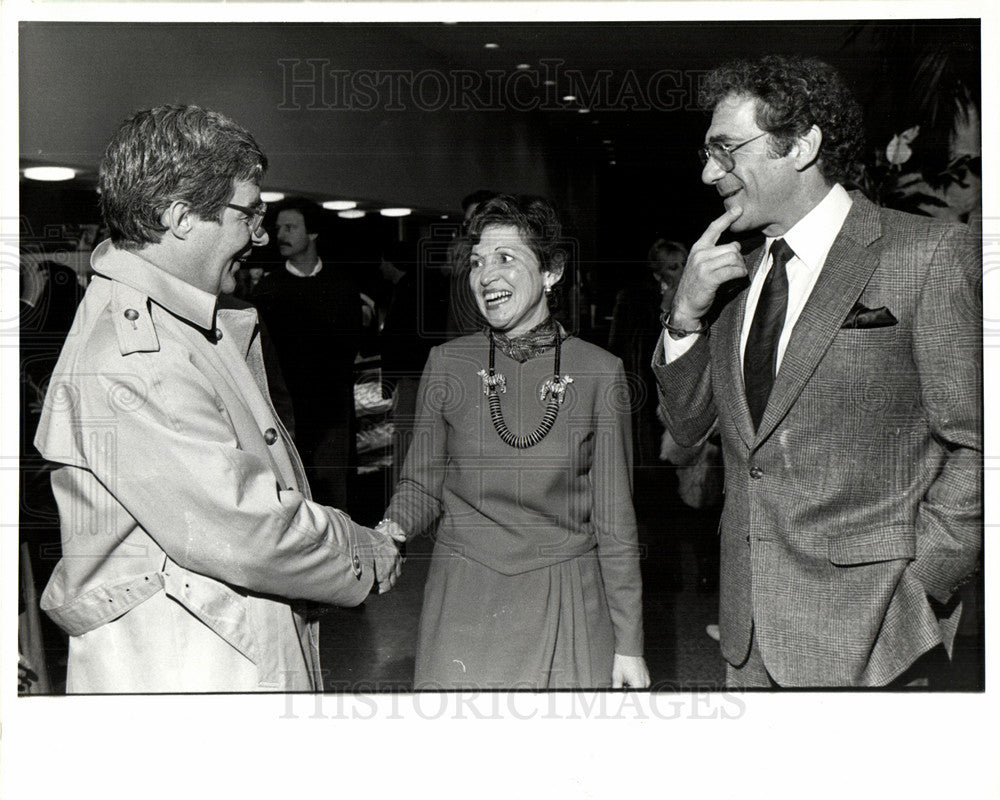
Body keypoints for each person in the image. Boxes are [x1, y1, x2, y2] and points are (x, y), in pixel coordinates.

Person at [34, 105, 401, 693]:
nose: (259, 235)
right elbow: (248, 529)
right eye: (247, 213)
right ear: (181, 217)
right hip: (191, 663)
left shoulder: (188, 322)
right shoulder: (140, 356)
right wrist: (362, 551)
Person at [653, 55, 981, 687]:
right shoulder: (728, 275)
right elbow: (689, 426)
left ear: (801, 145)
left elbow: (978, 443)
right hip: (749, 638)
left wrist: (924, 585)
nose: (706, 173)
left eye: (726, 150)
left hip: (880, 635)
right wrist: (685, 316)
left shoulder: (929, 253)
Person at [377, 195, 650, 690]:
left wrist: (629, 641)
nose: (486, 276)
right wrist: (389, 531)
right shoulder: (447, 363)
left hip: (564, 599)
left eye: (507, 258)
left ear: (552, 271)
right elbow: (420, 484)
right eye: (478, 262)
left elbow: (615, 521)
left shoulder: (599, 371)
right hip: (464, 595)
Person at [252, 197, 362, 510]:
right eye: (278, 228)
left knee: (335, 501)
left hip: (333, 414)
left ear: (312, 233)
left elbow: (352, 343)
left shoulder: (341, 286)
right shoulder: (267, 291)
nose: (281, 234)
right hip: (287, 417)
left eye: (290, 227)